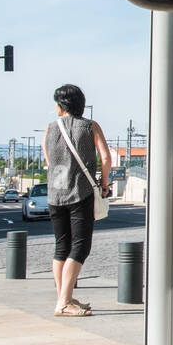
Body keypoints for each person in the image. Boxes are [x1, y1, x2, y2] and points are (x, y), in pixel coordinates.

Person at [42, 84, 112, 317]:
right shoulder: (90, 126)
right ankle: (64, 302)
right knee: (80, 246)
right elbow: (105, 157)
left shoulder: (49, 129)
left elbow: (49, 160)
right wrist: (103, 184)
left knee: (61, 245)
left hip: (55, 194)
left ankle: (64, 298)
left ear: (62, 106)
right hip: (80, 193)